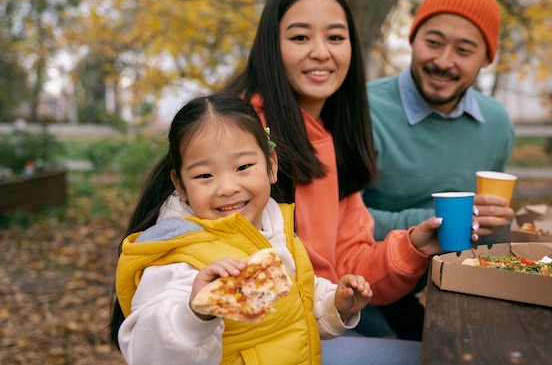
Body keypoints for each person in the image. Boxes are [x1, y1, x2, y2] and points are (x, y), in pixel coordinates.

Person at [222, 0, 478, 358]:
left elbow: (350, 263)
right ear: (270, 48)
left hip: (317, 323)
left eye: (336, 38)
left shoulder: (330, 136)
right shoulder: (241, 133)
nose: (321, 52)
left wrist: (412, 247)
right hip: (252, 342)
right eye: (300, 37)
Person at [109, 93, 375, 365]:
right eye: (204, 175)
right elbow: (148, 352)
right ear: (180, 185)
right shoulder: (181, 258)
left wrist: (335, 305)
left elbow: (294, 304)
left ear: (271, 164)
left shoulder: (273, 225)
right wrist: (195, 313)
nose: (227, 188)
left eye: (243, 167)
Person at [362, 0, 516, 340]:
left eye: (464, 51)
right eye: (433, 42)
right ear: (413, 39)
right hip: (360, 285)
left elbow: (490, 227)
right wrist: (440, 222)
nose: (444, 62)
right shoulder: (361, 109)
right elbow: (331, 223)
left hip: (448, 287)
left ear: (485, 59)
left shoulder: (496, 123)